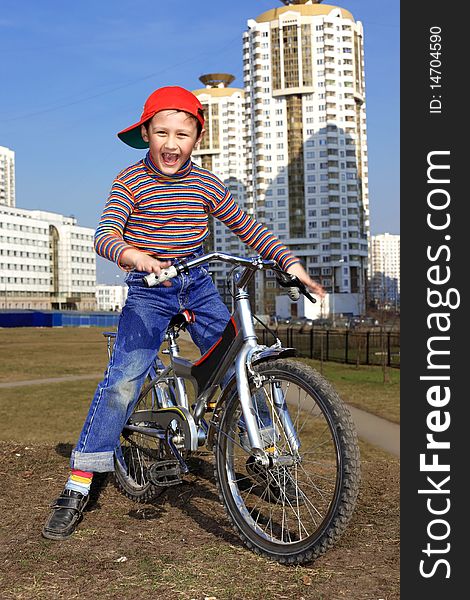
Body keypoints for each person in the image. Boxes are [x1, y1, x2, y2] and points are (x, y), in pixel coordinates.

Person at [42, 85, 325, 540]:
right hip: (149, 290)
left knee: (245, 363)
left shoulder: (207, 184)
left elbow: (248, 228)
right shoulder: (130, 181)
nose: (171, 144)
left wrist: (289, 262)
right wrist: (134, 256)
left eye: (183, 134)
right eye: (161, 133)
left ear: (197, 138)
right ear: (146, 134)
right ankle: (80, 482)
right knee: (122, 384)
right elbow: (105, 234)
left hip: (197, 284)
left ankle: (268, 455)